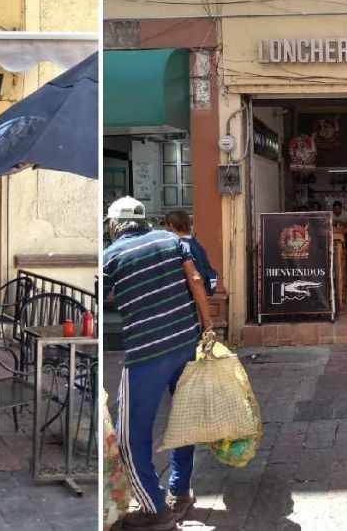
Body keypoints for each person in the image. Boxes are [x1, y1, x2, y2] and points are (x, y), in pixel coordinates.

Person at [103, 196, 212, 530]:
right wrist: (208, 327)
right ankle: (179, 491)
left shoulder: (110, 256)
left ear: (114, 225)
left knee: (129, 435)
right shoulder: (171, 240)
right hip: (186, 342)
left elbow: (100, 296)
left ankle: (154, 508)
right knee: (183, 420)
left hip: (146, 355)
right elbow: (195, 281)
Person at [165, 210, 218, 297]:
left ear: (171, 226)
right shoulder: (193, 242)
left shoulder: (181, 245)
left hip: (188, 294)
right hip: (200, 290)